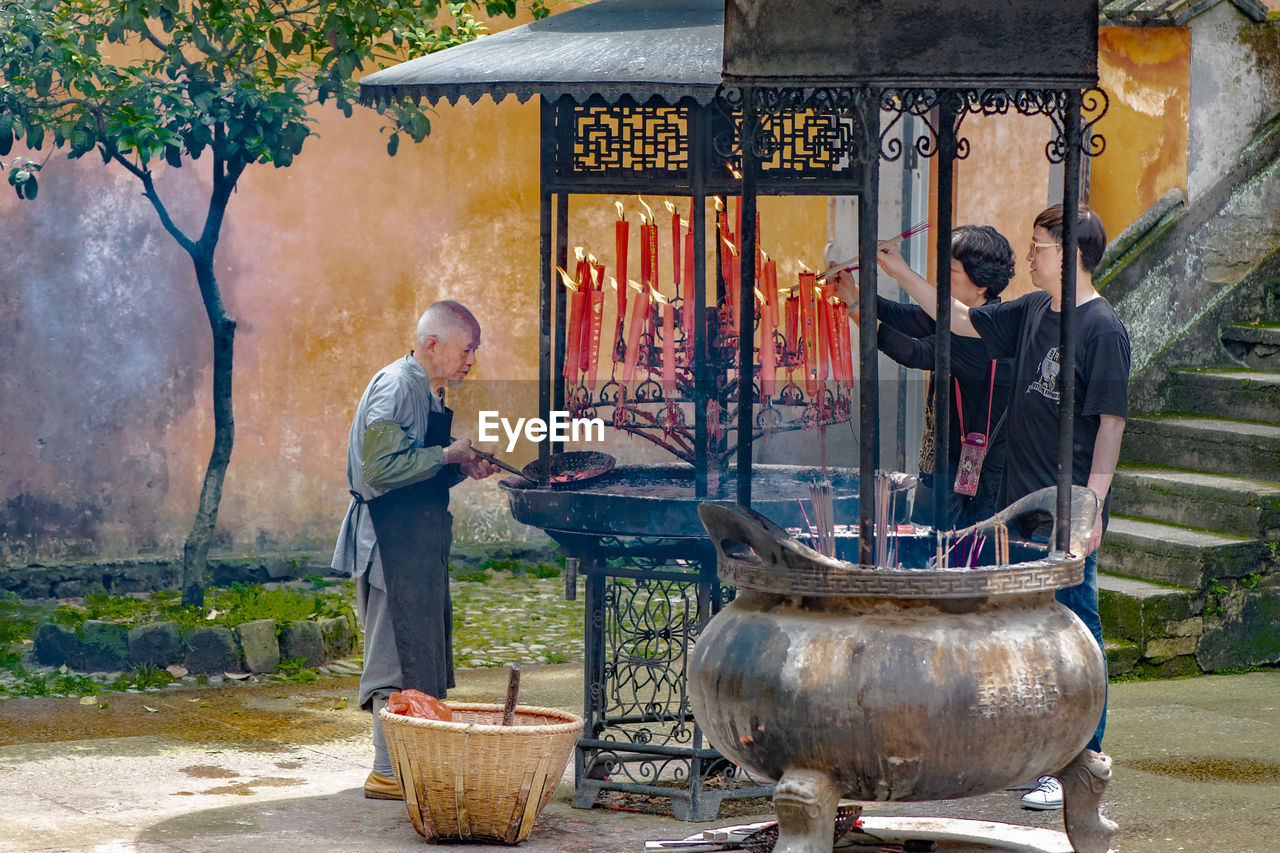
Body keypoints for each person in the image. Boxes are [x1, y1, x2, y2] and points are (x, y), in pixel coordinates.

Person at [876, 204, 1130, 811]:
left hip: (1065, 511)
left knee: (1077, 631)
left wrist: (1090, 508)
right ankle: (1042, 755)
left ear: (1067, 254)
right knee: (1030, 633)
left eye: (1039, 245)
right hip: (1020, 505)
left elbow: (1112, 426)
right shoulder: (1037, 311)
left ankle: (1081, 762)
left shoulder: (1103, 329)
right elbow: (960, 318)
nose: (1031, 254)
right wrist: (899, 272)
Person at [330, 300, 497, 801]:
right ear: (433, 344)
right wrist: (448, 453)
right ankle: (386, 771)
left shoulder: (428, 389)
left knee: (419, 649)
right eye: (467, 349)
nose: (471, 360)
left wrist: (458, 468)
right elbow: (380, 468)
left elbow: (416, 468)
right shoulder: (398, 384)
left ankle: (410, 763)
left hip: (417, 538)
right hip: (388, 539)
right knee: (393, 654)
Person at [833, 226, 1015, 529]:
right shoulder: (963, 313)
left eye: (952, 270)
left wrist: (854, 309)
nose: (941, 278)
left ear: (981, 284)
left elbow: (914, 353)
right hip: (951, 463)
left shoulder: (983, 332)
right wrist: (851, 292)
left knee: (963, 559)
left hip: (981, 479)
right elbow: (902, 315)